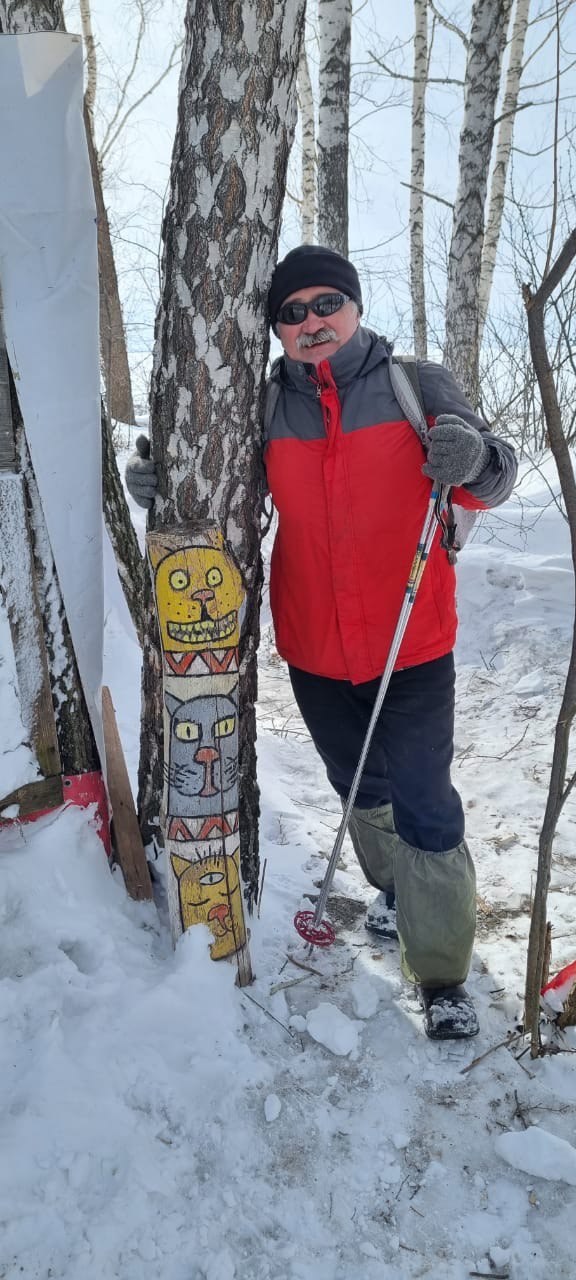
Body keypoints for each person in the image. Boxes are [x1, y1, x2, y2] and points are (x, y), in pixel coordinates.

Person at [126, 244, 518, 1040]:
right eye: (292, 312)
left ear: (356, 307)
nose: (311, 322)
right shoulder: (267, 404)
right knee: (358, 785)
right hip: (312, 646)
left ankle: (441, 975)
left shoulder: (417, 385)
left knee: (426, 804)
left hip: (413, 641)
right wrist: (163, 482)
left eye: (325, 304)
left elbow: (495, 475)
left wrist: (475, 458)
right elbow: (220, 486)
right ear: (276, 329)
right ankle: (395, 890)